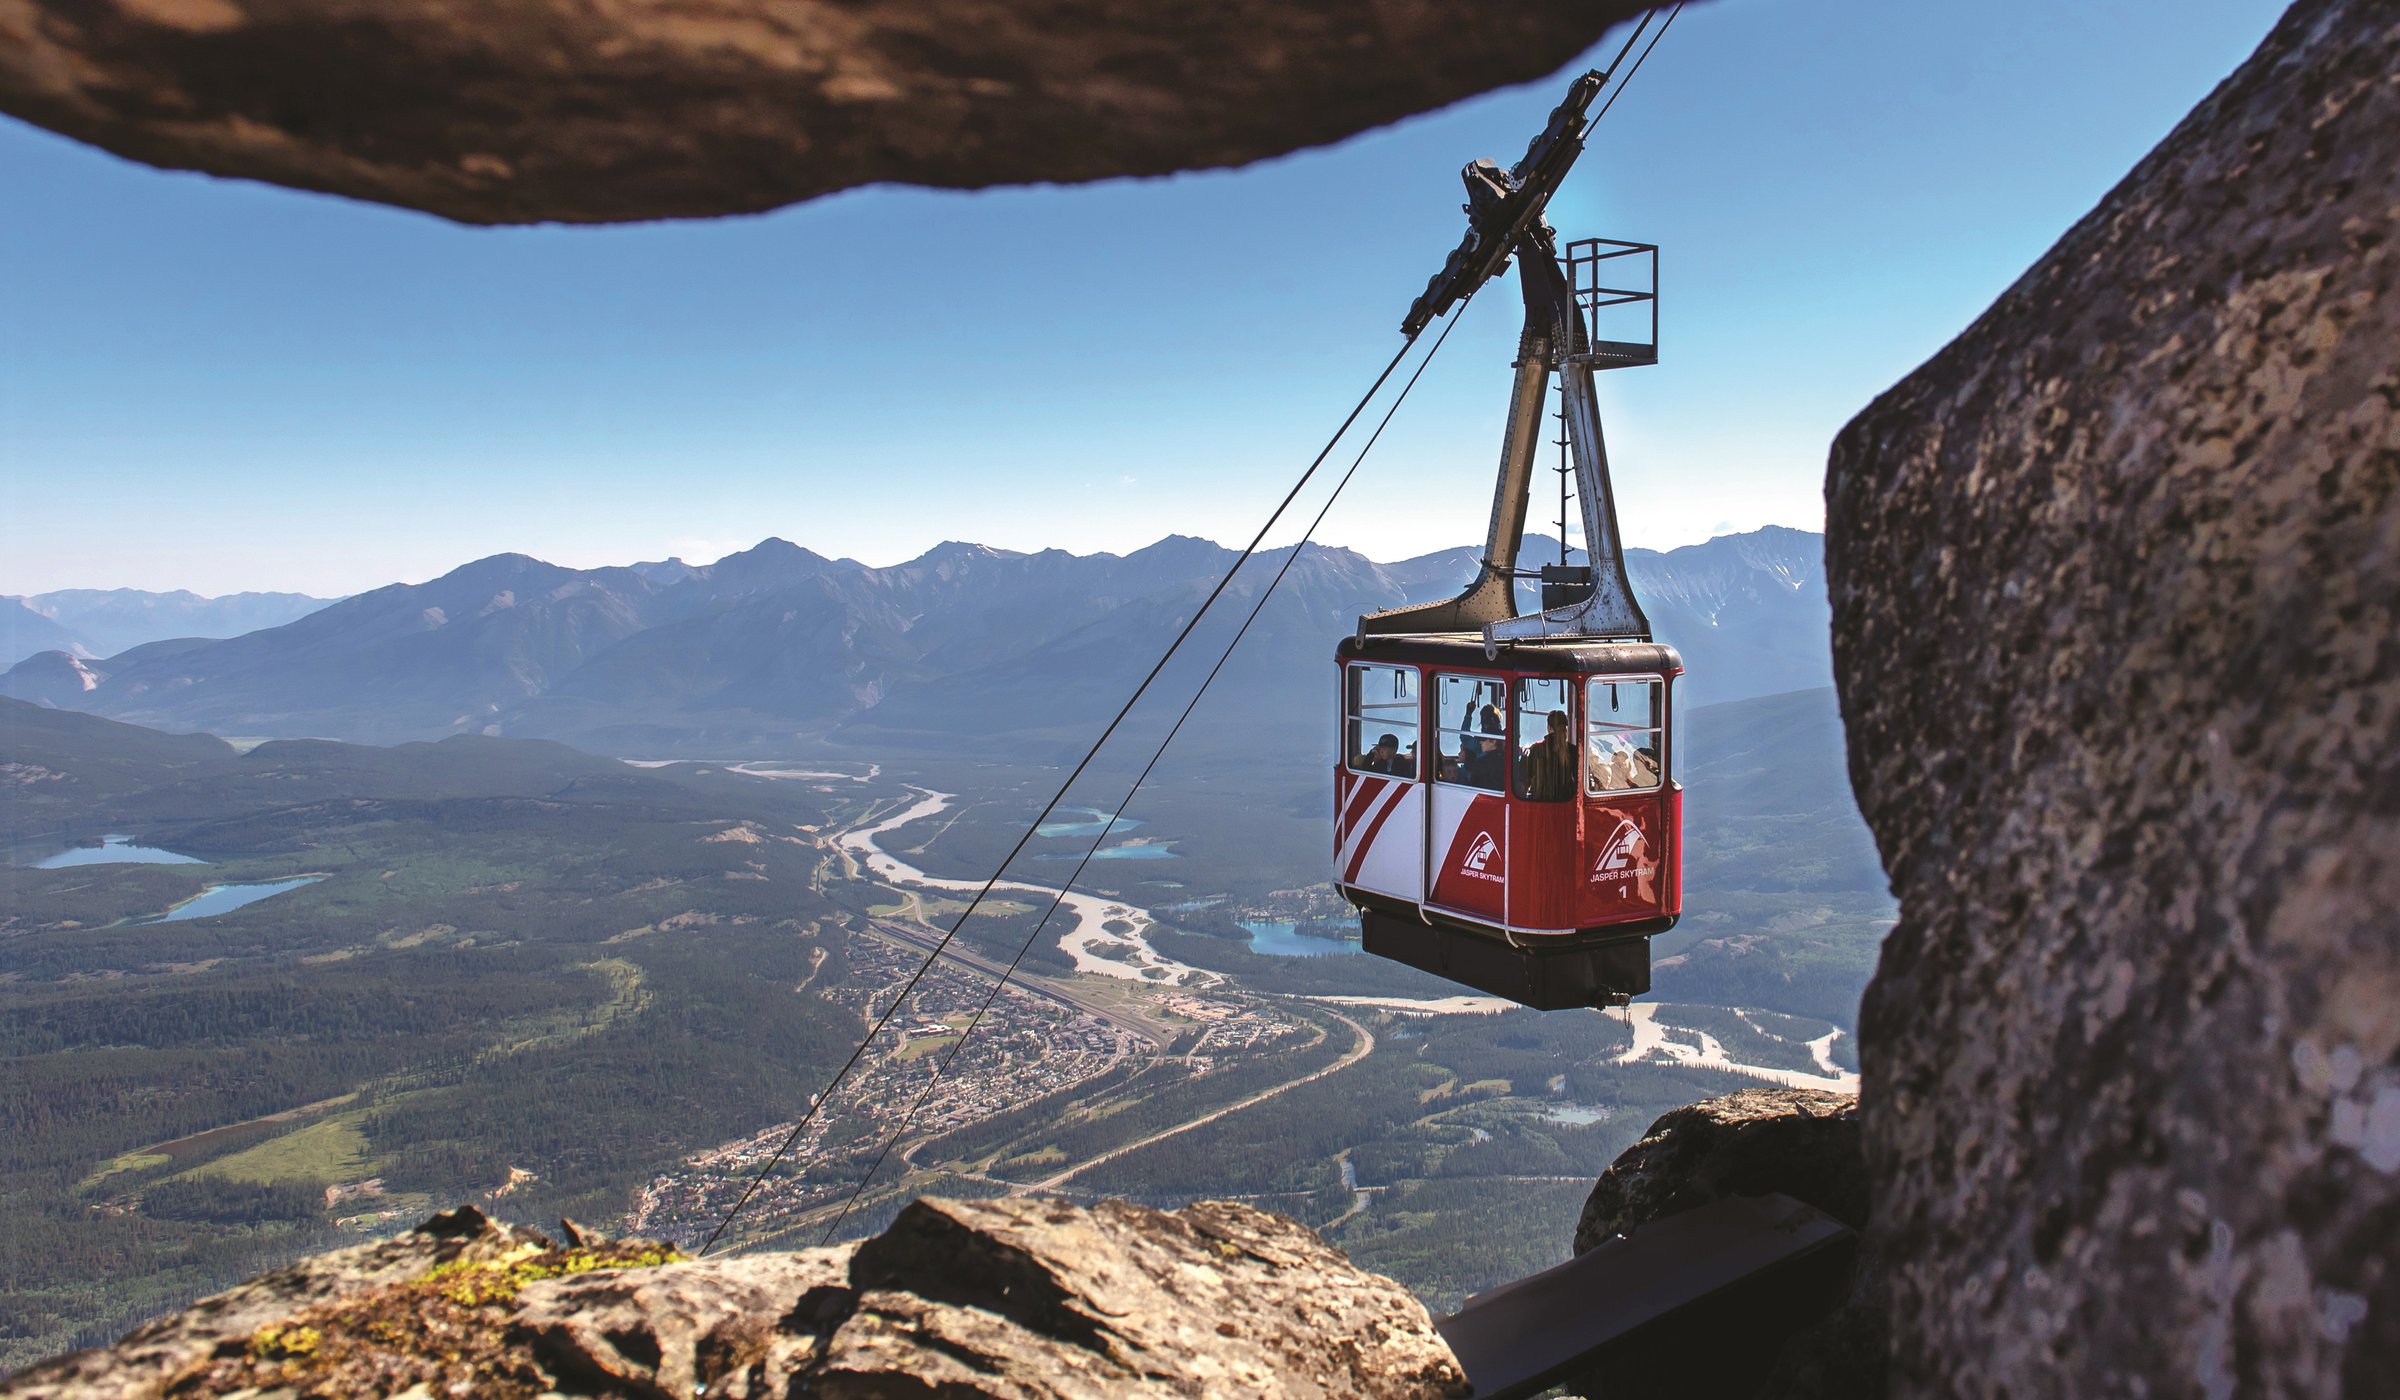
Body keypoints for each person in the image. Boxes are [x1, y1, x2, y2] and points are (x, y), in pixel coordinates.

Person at [1520, 709, 1576, 801]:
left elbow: (1523, 780)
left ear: (1549, 728)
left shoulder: (1535, 751)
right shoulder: (1574, 752)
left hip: (1538, 805)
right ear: (1566, 729)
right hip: (1567, 805)